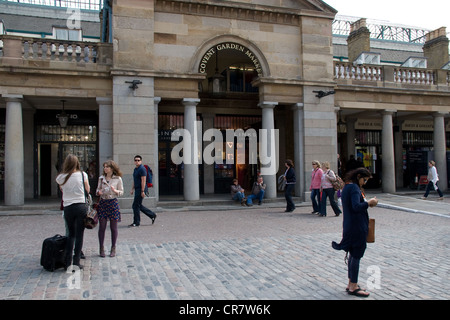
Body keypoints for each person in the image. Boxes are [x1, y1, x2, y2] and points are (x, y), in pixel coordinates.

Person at [331, 167, 378, 298]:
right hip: (356, 227)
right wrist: (369, 203)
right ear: (359, 177)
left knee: (353, 255)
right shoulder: (354, 188)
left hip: (350, 225)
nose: (365, 183)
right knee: (356, 255)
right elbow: (356, 206)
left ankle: (351, 282)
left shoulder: (347, 187)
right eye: (365, 180)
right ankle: (353, 286)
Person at [56, 154, 90, 269]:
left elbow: (61, 189)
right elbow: (88, 190)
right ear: (77, 163)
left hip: (68, 207)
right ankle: (76, 261)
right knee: (79, 235)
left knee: (71, 234)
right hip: (80, 205)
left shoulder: (61, 177)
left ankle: (67, 261)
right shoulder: (82, 175)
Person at [96, 160, 124, 257]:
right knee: (102, 227)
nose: (105, 168)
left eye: (107, 167)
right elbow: (97, 190)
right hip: (103, 202)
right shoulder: (101, 178)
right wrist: (98, 192)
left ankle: (113, 248)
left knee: (113, 227)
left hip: (113, 202)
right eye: (104, 167)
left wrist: (115, 190)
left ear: (112, 168)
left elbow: (121, 192)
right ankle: (101, 248)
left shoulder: (118, 179)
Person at [129, 155, 157, 227]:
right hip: (137, 189)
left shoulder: (142, 169)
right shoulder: (135, 169)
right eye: (135, 160)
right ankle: (152, 215)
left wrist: (142, 191)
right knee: (138, 205)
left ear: (141, 161)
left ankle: (136, 222)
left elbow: (143, 180)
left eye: (138, 160)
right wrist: (132, 189)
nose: (137, 161)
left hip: (141, 189)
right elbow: (134, 180)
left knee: (135, 206)